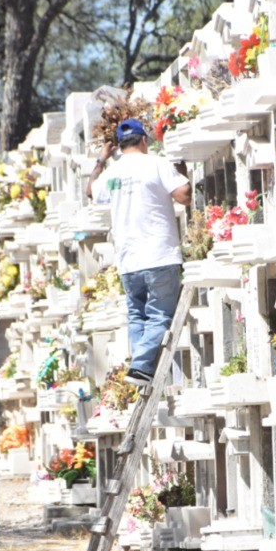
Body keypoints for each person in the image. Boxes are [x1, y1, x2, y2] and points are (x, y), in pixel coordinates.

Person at [85, 119, 192, 387]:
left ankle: (141, 367)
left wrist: (100, 160)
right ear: (144, 140)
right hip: (159, 254)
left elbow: (90, 192)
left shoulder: (112, 172)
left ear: (119, 147)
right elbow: (184, 195)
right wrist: (180, 168)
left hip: (128, 261)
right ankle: (141, 367)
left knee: (137, 315)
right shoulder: (155, 163)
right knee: (160, 315)